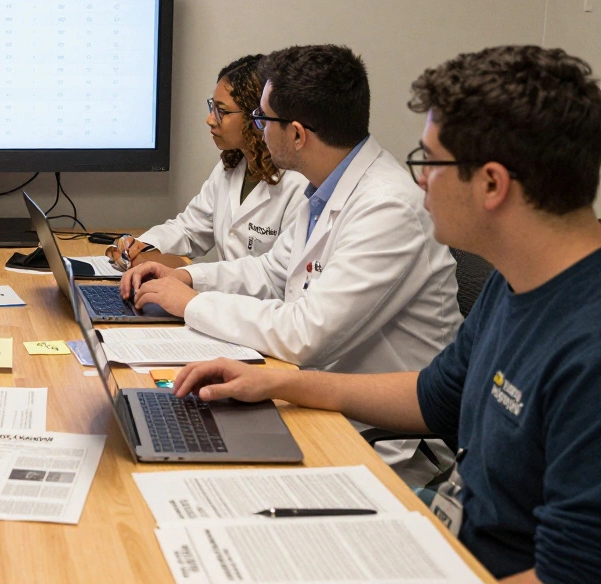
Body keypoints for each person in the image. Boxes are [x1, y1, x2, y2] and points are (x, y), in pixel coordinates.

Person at [171, 45, 601, 582]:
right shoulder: (518, 283)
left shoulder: (588, 346)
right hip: (449, 528)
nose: (418, 180)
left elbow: (571, 574)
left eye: (430, 162)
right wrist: (275, 386)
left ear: (492, 184)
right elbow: (434, 396)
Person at [121, 44, 462, 479]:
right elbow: (268, 271)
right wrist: (186, 276)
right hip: (316, 399)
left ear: (297, 134)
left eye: (262, 120)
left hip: (381, 444)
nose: (258, 131)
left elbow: (305, 334)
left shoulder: (388, 207)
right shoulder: (323, 188)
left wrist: (189, 303)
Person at [109, 54, 307, 267]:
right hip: (219, 296)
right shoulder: (230, 169)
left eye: (221, 111)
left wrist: (190, 278)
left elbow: (276, 276)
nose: (210, 119)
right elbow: (188, 229)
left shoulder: (298, 184)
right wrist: (142, 244)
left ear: (256, 116)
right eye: (212, 107)